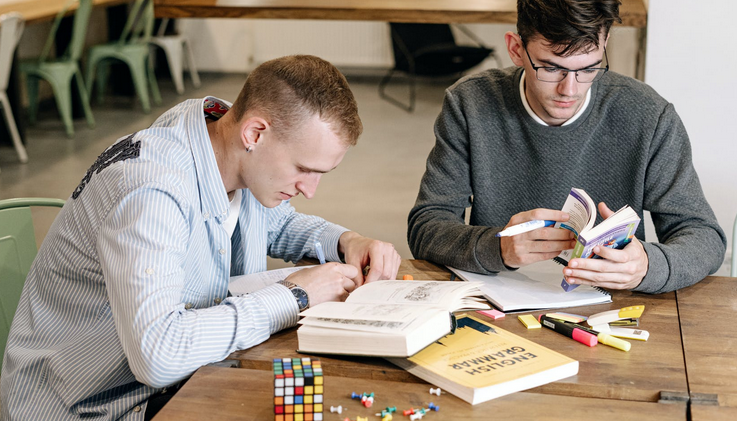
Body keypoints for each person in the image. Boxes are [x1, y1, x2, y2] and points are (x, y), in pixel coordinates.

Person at [1, 55, 401, 420]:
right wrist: (294, 297)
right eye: (303, 168)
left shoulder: (218, 135)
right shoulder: (152, 190)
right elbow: (159, 354)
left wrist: (347, 240)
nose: (310, 189)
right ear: (255, 132)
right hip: (88, 403)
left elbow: (275, 223)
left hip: (151, 383)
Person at [407, 0, 725, 294]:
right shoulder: (470, 104)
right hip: (495, 305)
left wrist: (647, 266)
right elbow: (427, 226)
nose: (569, 90)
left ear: (605, 44)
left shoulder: (649, 115)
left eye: (589, 68)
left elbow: (704, 236)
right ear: (516, 49)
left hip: (610, 311)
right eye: (551, 68)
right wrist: (497, 247)